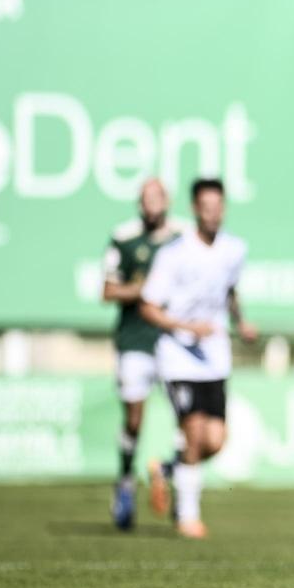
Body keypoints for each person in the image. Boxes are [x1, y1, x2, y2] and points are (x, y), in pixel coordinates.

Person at [140, 178, 256, 539]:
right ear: (194, 209)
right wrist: (183, 327)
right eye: (205, 207)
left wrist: (241, 323)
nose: (212, 213)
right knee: (192, 435)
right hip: (177, 357)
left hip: (214, 357)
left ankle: (167, 470)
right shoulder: (174, 254)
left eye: (218, 206)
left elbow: (230, 290)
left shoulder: (234, 249)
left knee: (215, 441)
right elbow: (148, 306)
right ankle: (187, 515)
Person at [102, 178, 184, 530]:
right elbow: (108, 290)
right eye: (146, 197)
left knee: (187, 420)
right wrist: (144, 290)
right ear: (139, 203)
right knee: (134, 419)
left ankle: (182, 491)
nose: (152, 203)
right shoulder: (123, 237)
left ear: (167, 200)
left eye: (158, 196)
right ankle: (124, 483)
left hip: (174, 342)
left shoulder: (184, 237)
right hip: (135, 340)